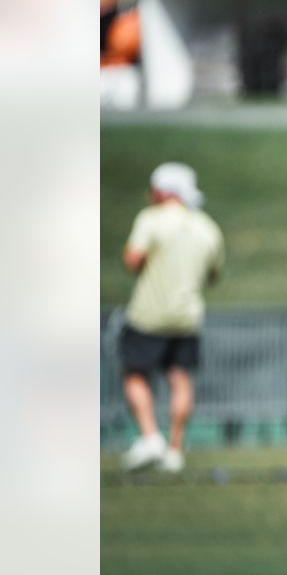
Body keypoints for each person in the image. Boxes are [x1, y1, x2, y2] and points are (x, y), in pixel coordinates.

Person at [119, 162, 224, 473]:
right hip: (187, 316)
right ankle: (175, 449)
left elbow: (132, 259)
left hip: (148, 314)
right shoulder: (208, 227)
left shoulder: (151, 220)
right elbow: (213, 275)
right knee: (180, 379)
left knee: (135, 375)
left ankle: (151, 436)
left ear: (163, 191)